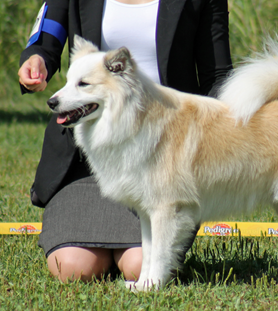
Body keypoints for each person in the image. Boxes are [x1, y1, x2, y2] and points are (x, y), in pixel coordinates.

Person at [18, 0, 232, 283]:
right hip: (89, 158)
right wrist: (36, 59)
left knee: (138, 265)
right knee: (71, 267)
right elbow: (47, 35)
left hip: (164, 154)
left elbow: (217, 76)